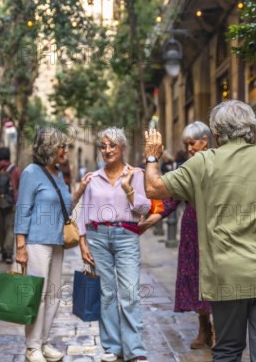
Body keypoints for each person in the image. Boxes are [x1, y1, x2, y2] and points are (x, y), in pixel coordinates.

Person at [144, 100, 256, 362]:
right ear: (252, 128)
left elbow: (154, 188)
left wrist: (152, 157)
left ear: (215, 133)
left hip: (225, 278)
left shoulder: (202, 163)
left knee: (227, 350)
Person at [77, 127, 152, 362]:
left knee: (130, 292)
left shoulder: (136, 174)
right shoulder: (93, 178)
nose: (107, 150)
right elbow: (84, 212)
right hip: (97, 237)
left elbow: (144, 209)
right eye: (103, 146)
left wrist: (128, 189)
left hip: (126, 236)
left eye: (112, 146)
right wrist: (82, 242)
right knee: (106, 293)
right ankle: (112, 347)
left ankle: (135, 350)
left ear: (122, 148)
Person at [15, 128, 88, 362]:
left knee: (53, 295)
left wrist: (79, 192)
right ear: (48, 148)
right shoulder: (30, 173)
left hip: (57, 241)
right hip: (36, 241)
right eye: (61, 146)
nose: (65, 150)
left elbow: (65, 208)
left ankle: (43, 342)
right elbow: (22, 209)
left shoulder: (57, 173)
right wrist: (20, 245)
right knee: (37, 294)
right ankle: (31, 347)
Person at [139, 121, 214, 350]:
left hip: (214, 228)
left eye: (192, 143)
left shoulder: (217, 163)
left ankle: (220, 330)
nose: (189, 148)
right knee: (195, 279)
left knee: (216, 279)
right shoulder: (187, 167)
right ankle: (204, 328)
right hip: (192, 228)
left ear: (205, 141)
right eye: (186, 144)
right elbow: (171, 197)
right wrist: (154, 219)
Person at [0, 147, 21, 264]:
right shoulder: (15, 170)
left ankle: (3, 250)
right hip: (11, 203)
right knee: (10, 228)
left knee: (0, 228)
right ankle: (9, 253)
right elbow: (20, 186)